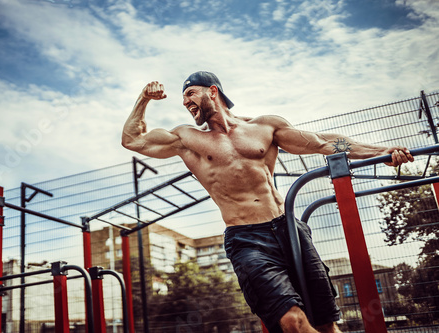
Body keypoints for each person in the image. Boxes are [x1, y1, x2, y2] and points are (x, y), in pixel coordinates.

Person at [121, 71, 414, 333]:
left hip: (288, 230)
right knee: (292, 321)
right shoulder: (185, 138)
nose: (185, 102)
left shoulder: (265, 127)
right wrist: (144, 98)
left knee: (326, 323)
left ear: (212, 91)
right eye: (184, 97)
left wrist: (382, 150)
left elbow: (323, 142)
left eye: (190, 93)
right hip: (247, 239)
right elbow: (132, 139)